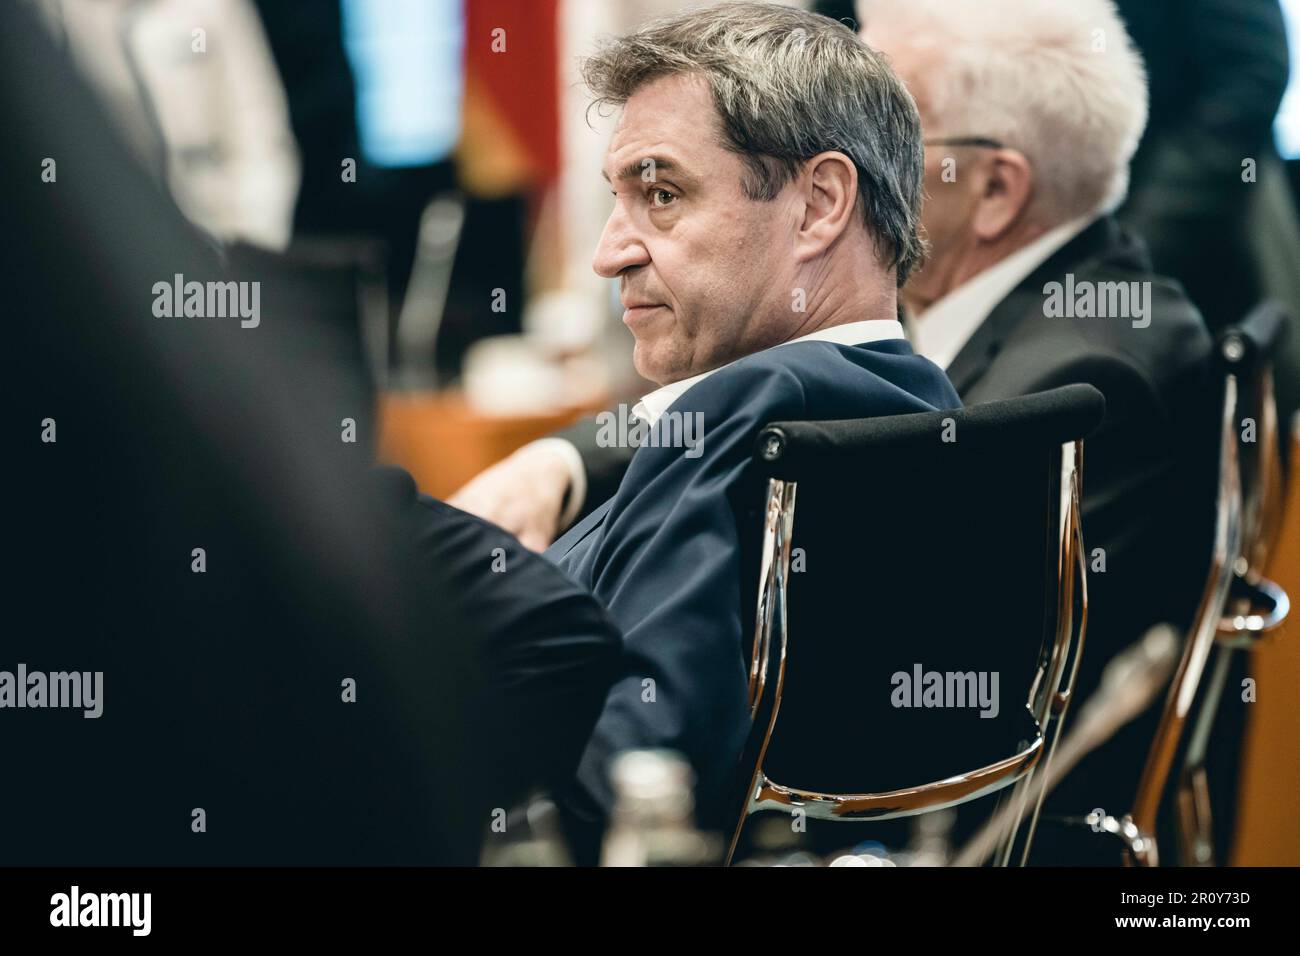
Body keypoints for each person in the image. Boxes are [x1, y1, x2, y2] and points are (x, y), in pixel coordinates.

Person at [454, 0, 1221, 859]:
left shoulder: (747, 415)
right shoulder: (916, 393)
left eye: (661, 194)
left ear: (821, 204)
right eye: (618, 198)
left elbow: (629, 788)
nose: (608, 252)